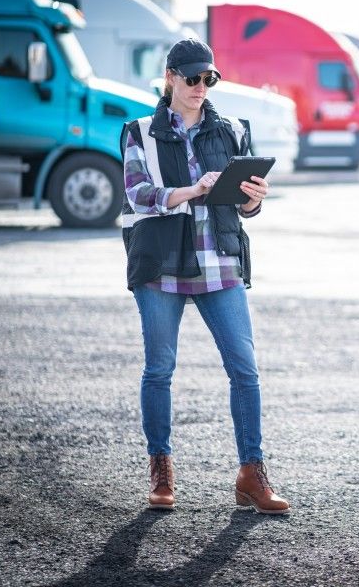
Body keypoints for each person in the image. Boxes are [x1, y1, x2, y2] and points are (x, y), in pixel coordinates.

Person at [119, 38, 289, 515]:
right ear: (170, 76)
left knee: (245, 370)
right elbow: (137, 195)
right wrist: (192, 190)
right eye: (191, 78)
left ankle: (251, 474)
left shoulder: (233, 129)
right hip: (161, 263)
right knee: (159, 370)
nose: (200, 87)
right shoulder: (139, 132)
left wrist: (254, 198)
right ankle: (162, 470)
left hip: (220, 262)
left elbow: (245, 208)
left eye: (208, 79)